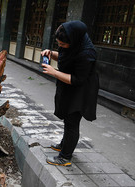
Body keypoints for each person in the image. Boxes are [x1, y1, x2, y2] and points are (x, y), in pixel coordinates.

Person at [41, 20, 99, 166]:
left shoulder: (87, 53)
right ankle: (64, 145)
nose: (60, 47)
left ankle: (65, 157)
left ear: (73, 40)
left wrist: (54, 72)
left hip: (81, 90)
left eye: (62, 44)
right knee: (67, 118)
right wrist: (50, 53)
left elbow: (78, 79)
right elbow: (63, 54)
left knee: (72, 121)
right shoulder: (74, 43)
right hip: (70, 87)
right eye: (58, 44)